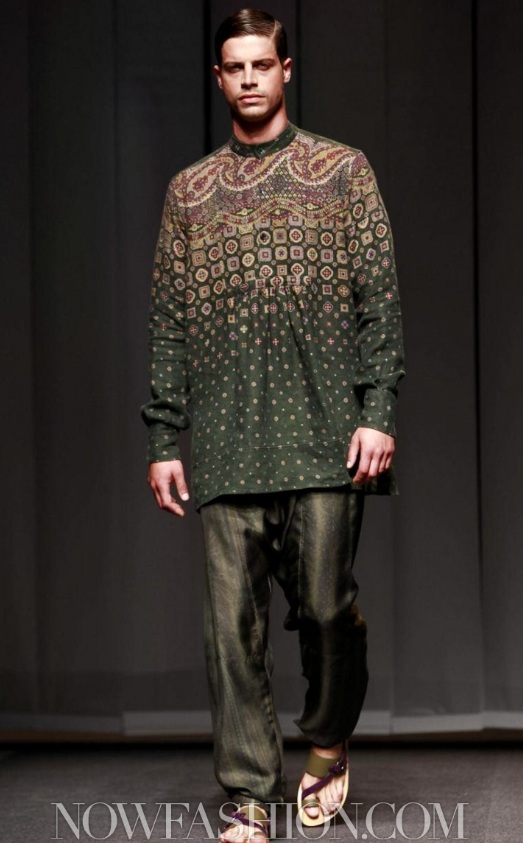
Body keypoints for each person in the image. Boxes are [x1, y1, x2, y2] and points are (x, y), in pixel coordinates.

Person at [142, 8, 405, 842]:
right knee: (230, 631)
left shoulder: (342, 171)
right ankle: (251, 794)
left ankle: (326, 740)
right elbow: (168, 322)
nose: (250, 78)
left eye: (262, 63)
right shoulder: (189, 192)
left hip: (326, 437)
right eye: (235, 67)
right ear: (219, 79)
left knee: (327, 609)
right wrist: (163, 438)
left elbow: (380, 304)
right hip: (226, 443)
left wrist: (377, 412)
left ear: (285, 70)